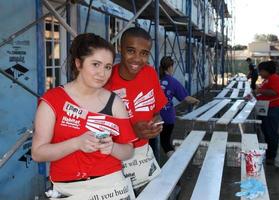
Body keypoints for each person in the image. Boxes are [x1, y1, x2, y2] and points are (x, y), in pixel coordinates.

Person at [32, 33, 137, 199]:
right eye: (96, 64)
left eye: (108, 67)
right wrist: (77, 143)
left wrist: (112, 148)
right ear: (78, 63)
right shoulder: (53, 100)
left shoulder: (115, 102)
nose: (102, 73)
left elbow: (128, 151)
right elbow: (38, 153)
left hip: (111, 187)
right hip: (68, 190)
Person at [105, 27, 168, 190]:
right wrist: (131, 132)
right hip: (112, 158)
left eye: (144, 53)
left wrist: (157, 123)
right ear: (120, 48)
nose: (137, 59)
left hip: (143, 156)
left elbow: (157, 111)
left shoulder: (150, 73)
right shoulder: (106, 78)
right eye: (131, 51)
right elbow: (94, 127)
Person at [159, 56, 200, 157]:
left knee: (155, 142)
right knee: (165, 143)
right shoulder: (173, 82)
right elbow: (186, 98)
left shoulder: (156, 80)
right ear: (169, 67)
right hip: (167, 117)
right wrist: (196, 100)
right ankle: (175, 162)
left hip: (155, 116)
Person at [255, 60, 279, 164]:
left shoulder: (274, 78)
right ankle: (269, 153)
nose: (260, 73)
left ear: (267, 71)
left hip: (274, 108)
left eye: (261, 71)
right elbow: (263, 92)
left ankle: (272, 156)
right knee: (267, 131)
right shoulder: (267, 79)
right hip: (268, 108)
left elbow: (274, 92)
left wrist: (259, 91)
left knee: (271, 132)